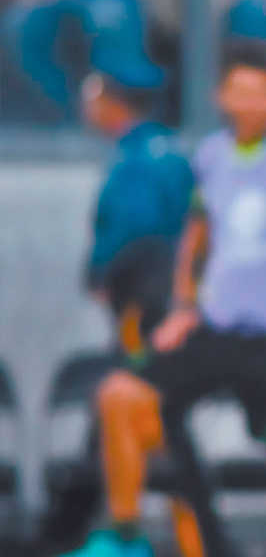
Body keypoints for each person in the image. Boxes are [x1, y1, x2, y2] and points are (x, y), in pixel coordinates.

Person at [65, 41, 266, 557]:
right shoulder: (209, 156)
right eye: (239, 93)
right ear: (221, 96)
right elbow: (195, 234)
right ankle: (127, 538)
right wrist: (185, 303)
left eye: (261, 93)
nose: (249, 104)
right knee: (122, 396)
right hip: (217, 329)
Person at [63, 68, 203, 557]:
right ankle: (103, 529)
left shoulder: (136, 162)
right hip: (165, 311)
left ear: (111, 99)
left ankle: (139, 537)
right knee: (142, 419)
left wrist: (103, 276)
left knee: (145, 419)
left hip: (143, 314)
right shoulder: (167, 151)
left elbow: (138, 239)